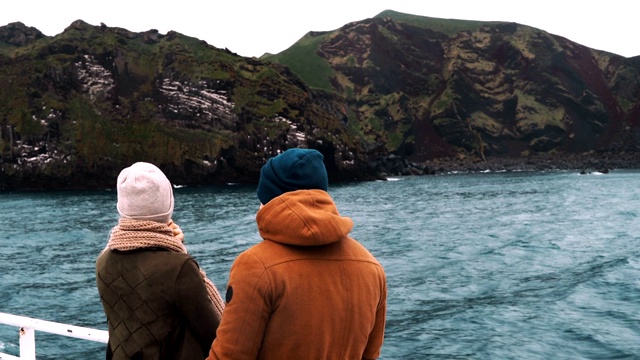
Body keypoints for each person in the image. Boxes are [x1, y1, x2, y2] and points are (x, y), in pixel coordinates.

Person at [207, 148, 387, 359]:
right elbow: (371, 354)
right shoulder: (372, 267)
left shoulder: (255, 265)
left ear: (269, 201)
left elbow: (228, 356)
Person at [96, 162, 225, 359]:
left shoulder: (104, 262)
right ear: (168, 205)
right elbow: (216, 332)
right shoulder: (179, 267)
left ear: (122, 207)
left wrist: (171, 246)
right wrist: (179, 251)